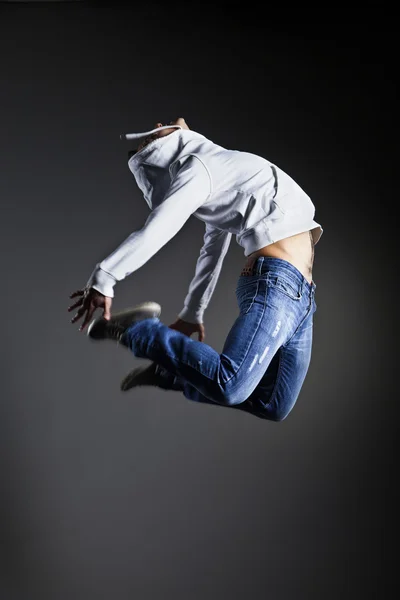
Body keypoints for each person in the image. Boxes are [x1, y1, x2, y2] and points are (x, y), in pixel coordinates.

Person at [68, 117, 323, 421]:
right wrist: (104, 278)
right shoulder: (200, 168)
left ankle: (171, 374)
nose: (164, 121)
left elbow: (213, 249)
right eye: (157, 129)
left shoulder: (221, 167)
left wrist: (192, 313)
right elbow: (157, 229)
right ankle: (138, 330)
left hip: (303, 298)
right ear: (159, 148)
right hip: (277, 284)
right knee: (230, 386)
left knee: (273, 403)